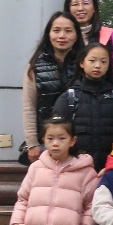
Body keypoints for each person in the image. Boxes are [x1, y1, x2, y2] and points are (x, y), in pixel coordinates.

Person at [53, 43, 113, 172]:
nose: (98, 65)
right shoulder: (69, 98)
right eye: (92, 60)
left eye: (103, 62)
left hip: (108, 169)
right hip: (74, 168)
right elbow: (57, 133)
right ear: (82, 63)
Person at [23, 12, 83, 164]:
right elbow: (29, 106)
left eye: (68, 31)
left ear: (76, 35)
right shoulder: (35, 66)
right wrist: (32, 143)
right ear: (48, 34)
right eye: (56, 30)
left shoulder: (85, 63)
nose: (62, 36)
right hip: (47, 142)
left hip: (80, 141)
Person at [65, 0, 113, 92]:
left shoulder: (110, 35)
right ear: (68, 9)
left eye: (86, 3)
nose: (80, 8)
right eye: (75, 4)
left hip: (105, 95)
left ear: (94, 8)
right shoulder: (62, 37)